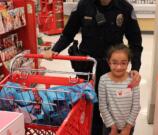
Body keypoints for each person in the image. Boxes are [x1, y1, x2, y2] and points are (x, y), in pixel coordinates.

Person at [44, 0, 143, 134]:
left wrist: (135, 68)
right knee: (90, 105)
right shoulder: (83, 5)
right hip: (87, 66)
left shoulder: (125, 8)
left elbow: (135, 42)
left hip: (114, 67)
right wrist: (55, 49)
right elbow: (68, 33)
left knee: (116, 105)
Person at [99, 44, 140, 135]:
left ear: (128, 63)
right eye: (114, 63)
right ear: (109, 62)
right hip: (109, 127)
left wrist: (128, 127)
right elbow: (103, 106)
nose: (119, 67)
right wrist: (113, 128)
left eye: (123, 63)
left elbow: (136, 106)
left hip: (128, 126)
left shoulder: (133, 80)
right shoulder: (103, 80)